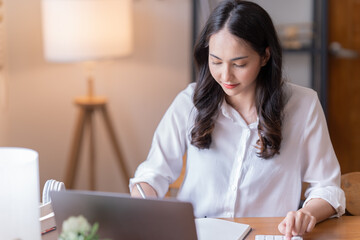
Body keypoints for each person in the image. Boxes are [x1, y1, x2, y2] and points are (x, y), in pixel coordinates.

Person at [129, 0, 345, 239]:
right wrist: (145, 205)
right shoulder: (189, 102)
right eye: (216, 61)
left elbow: (327, 187)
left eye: (239, 64)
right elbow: (152, 174)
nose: (225, 75)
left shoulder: (303, 106)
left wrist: (307, 212)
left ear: (265, 56)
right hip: (197, 234)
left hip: (267, 234)